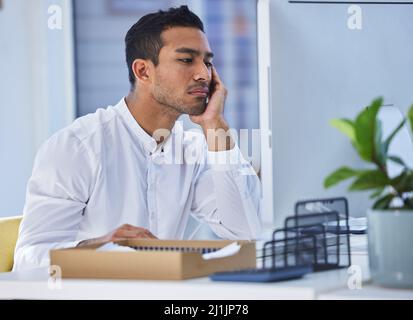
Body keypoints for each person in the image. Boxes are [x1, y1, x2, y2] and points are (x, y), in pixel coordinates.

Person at [13, 5, 261, 271]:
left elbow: (245, 231)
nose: (203, 74)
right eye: (187, 60)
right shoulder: (77, 147)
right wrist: (98, 248)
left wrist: (216, 126)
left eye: (208, 62)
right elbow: (28, 261)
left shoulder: (193, 150)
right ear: (143, 71)